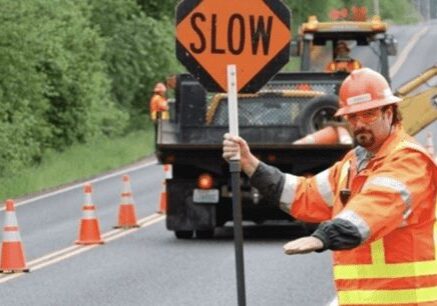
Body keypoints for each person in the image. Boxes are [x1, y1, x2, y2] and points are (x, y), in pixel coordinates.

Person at [223, 68, 437, 305]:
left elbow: (376, 206)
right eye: (353, 117)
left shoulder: (410, 159)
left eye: (368, 114)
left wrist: (326, 235)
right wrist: (251, 164)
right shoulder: (352, 164)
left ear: (389, 112)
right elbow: (304, 195)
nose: (359, 124)